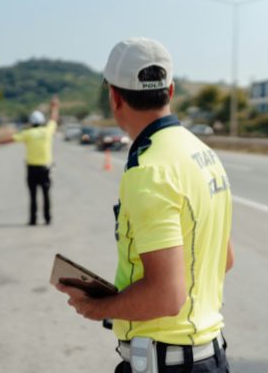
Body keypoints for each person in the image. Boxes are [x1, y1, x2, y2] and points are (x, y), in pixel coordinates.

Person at [56, 38, 235, 372]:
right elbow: (223, 259)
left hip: (168, 364)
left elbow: (166, 295)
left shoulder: (149, 170)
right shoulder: (202, 154)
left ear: (114, 96)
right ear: (170, 91)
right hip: (208, 357)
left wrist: (97, 308)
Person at [12, 96, 59, 226]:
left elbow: (12, 139)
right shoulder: (47, 131)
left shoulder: (27, 133)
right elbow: (54, 119)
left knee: (33, 195)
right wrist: (54, 107)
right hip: (45, 168)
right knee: (46, 194)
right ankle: (47, 218)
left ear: (31, 122)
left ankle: (33, 220)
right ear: (42, 121)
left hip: (31, 169)